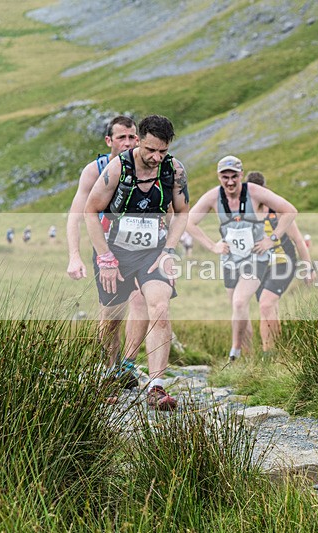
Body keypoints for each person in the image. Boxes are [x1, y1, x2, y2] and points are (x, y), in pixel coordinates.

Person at [84, 115, 189, 410]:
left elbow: (182, 212)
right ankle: (111, 371)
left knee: (160, 307)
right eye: (151, 150)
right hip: (114, 251)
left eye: (163, 151)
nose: (156, 157)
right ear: (139, 140)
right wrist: (105, 258)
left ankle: (156, 386)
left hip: (153, 251)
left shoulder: (174, 170)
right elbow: (90, 211)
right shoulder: (119, 168)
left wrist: (168, 250)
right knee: (111, 317)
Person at [185, 158, 297, 362]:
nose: (230, 182)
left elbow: (289, 210)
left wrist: (271, 239)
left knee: (239, 302)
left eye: (234, 176)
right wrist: (212, 246)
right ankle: (247, 359)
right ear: (219, 177)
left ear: (241, 175)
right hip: (230, 260)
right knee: (239, 310)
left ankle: (234, 352)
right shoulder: (213, 197)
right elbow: (189, 222)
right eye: (225, 177)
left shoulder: (254, 192)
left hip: (255, 258)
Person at [66, 115, 148, 391]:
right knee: (112, 313)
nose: (128, 142)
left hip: (139, 248)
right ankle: (110, 368)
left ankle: (128, 366)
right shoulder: (95, 170)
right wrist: (74, 256)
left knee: (140, 301)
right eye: (121, 137)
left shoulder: (147, 165)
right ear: (109, 141)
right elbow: (76, 216)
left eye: (132, 137)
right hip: (106, 249)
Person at [245, 170, 314, 354]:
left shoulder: (279, 210)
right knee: (268, 309)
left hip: (284, 261)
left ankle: (268, 353)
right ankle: (277, 351)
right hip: (261, 266)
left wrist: (308, 268)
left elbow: (299, 240)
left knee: (266, 304)